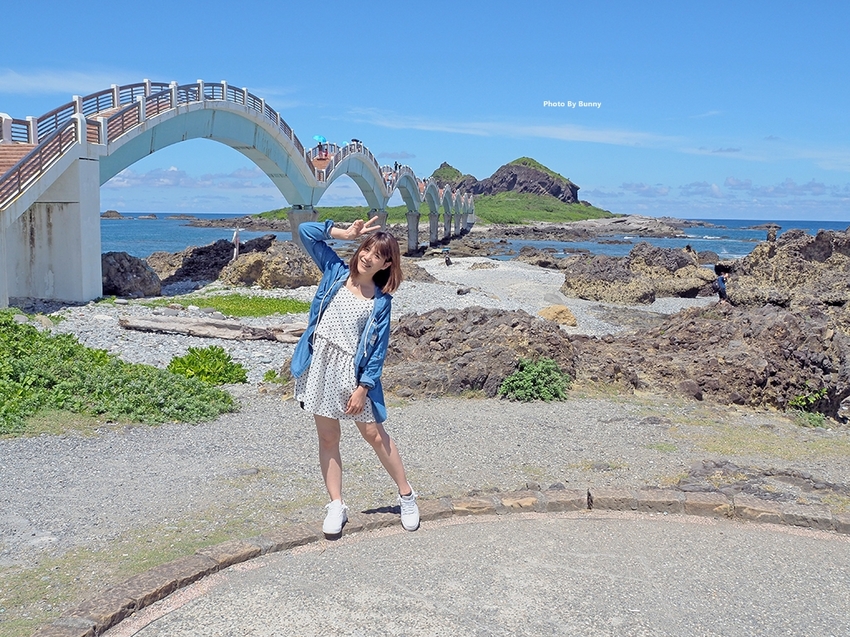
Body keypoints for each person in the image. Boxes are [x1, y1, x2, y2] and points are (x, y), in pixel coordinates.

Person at [290, 216, 419, 536]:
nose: (367, 257)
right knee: (328, 437)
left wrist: (363, 388)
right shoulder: (335, 271)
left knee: (374, 434)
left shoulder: (381, 301)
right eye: (366, 249)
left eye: (377, 255)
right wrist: (344, 233)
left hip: (352, 373)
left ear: (386, 263)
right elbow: (305, 231)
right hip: (320, 365)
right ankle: (336, 504)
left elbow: (377, 351)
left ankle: (406, 495)